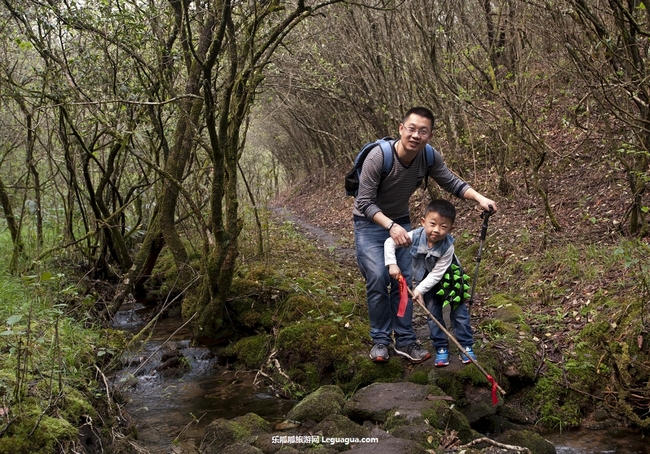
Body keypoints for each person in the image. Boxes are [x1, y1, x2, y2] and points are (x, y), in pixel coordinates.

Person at [353, 106, 496, 363]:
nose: (416, 135)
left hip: (400, 220)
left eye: (423, 131)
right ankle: (381, 341)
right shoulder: (378, 157)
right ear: (401, 129)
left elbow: (450, 181)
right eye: (412, 129)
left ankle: (406, 340)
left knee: (405, 281)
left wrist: (479, 197)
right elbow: (363, 202)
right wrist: (390, 226)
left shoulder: (428, 156)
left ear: (429, 135)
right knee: (377, 277)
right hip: (368, 222)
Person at [384, 199, 476, 367]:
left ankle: (466, 346)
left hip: (451, 280)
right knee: (433, 314)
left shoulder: (448, 246)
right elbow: (389, 242)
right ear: (423, 221)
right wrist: (392, 263)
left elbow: (437, 273)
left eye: (443, 226)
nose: (436, 230)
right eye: (432, 223)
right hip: (426, 280)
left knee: (459, 313)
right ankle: (441, 348)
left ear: (451, 229)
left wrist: (419, 289)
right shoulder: (415, 235)